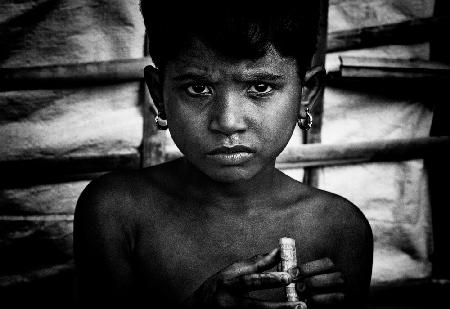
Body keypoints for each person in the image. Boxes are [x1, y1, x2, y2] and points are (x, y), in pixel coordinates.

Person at [73, 2, 373, 308]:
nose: (228, 122)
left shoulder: (339, 228)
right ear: (158, 94)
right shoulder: (116, 211)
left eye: (260, 86)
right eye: (198, 88)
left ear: (305, 93)